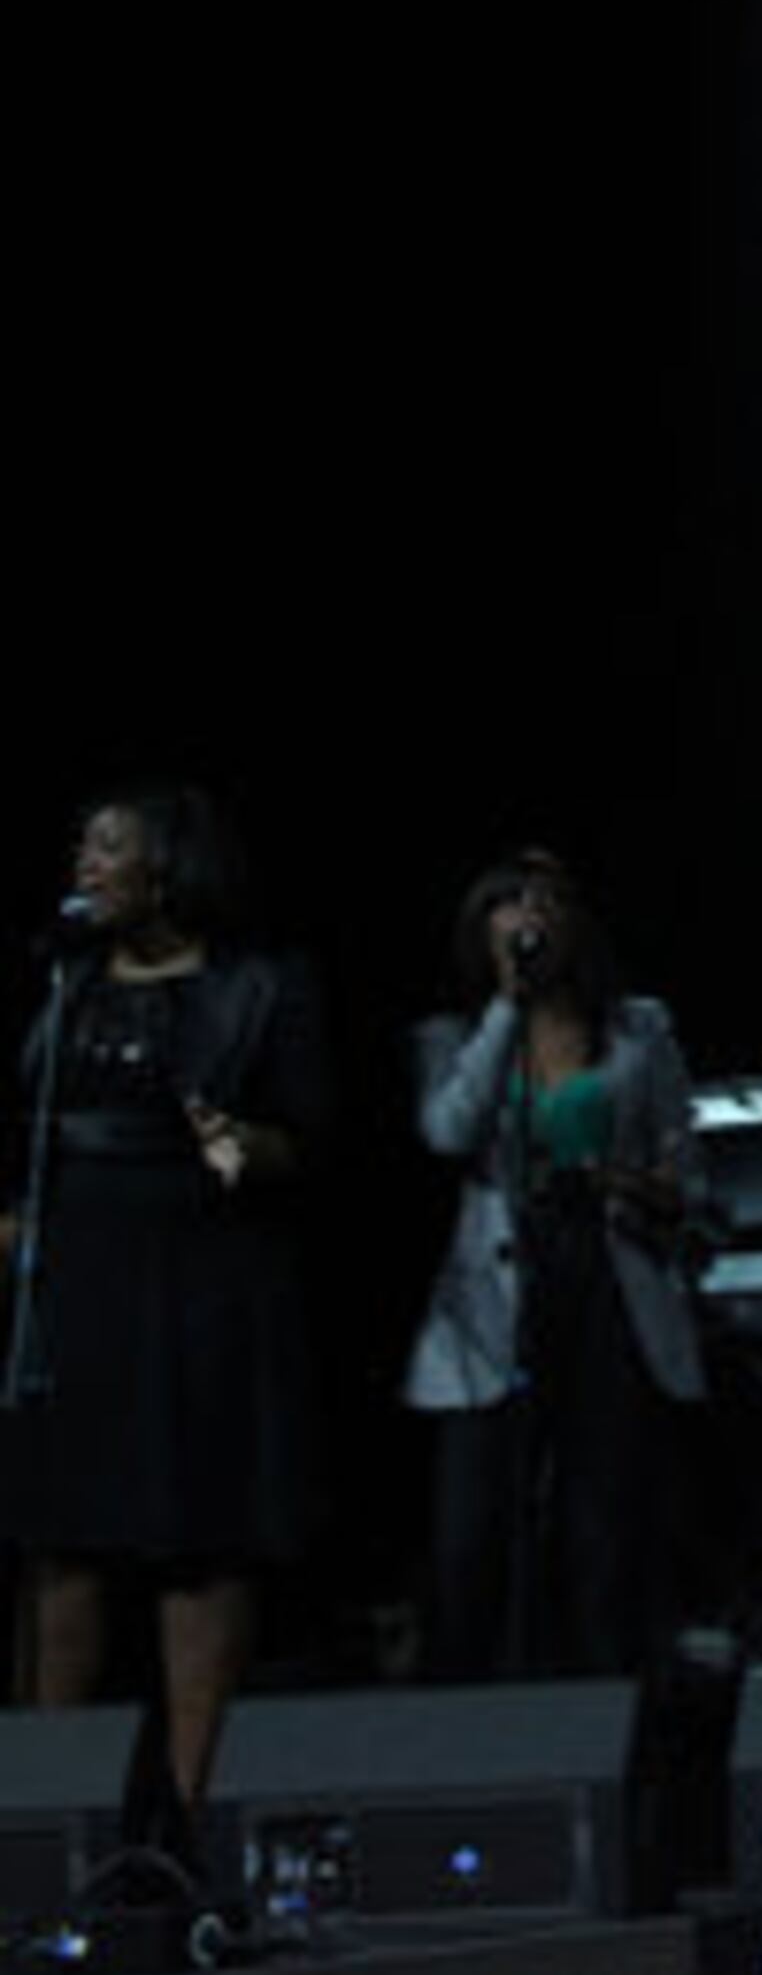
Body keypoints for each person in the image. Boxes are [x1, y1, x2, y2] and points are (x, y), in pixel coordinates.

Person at [2, 784, 328, 1838]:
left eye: (109, 846)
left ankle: (190, 1810)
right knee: (66, 1548)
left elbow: (305, 1141)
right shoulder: (67, 983)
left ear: (168, 867)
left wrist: (239, 1144)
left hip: (200, 1284)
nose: (86, 863)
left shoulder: (261, 987)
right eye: (83, 845)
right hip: (83, 1281)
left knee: (198, 1543)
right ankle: (47, 1814)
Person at [402, 849, 706, 1680]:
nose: (529, 915)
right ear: (483, 927)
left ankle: (608, 1723)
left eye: (546, 900)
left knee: (603, 1530)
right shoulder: (453, 1036)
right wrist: (508, 1006)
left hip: (610, 1280)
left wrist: (637, 1185)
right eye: (509, 901)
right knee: (472, 1540)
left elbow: (687, 1169)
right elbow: (449, 1131)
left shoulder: (640, 1029)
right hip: (495, 1298)